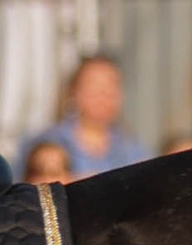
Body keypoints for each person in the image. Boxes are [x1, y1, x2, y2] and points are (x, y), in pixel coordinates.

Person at [25, 50, 146, 182]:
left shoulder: (134, 151)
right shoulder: (45, 143)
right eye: (94, 85)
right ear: (73, 91)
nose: (103, 95)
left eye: (111, 85)